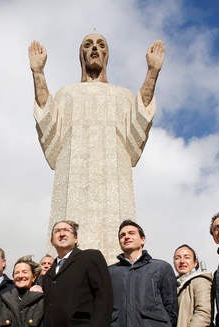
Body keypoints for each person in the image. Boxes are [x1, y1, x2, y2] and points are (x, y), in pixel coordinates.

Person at [29, 34, 165, 257]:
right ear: (81, 55)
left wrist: (152, 73)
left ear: (107, 55)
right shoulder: (68, 93)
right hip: (72, 181)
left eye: (101, 45)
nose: (94, 49)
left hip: (114, 182)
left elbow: (138, 125)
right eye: (88, 45)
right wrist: (38, 73)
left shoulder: (122, 95)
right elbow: (48, 123)